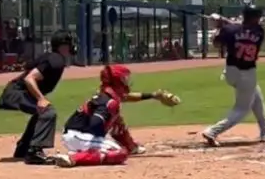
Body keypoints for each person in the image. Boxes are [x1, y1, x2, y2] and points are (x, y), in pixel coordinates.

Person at [52, 65, 181, 168]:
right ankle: (73, 158)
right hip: (80, 136)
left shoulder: (109, 95)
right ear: (117, 81)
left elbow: (127, 97)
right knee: (119, 153)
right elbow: (95, 123)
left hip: (76, 134)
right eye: (124, 79)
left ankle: (131, 147)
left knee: (116, 122)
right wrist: (104, 135)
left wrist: (153, 95)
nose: (127, 82)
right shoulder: (108, 101)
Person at [201, 6, 265, 145]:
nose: (260, 19)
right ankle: (213, 131)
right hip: (247, 73)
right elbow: (242, 28)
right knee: (242, 108)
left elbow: (217, 43)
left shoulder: (229, 30)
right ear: (254, 18)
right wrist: (224, 22)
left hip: (230, 72)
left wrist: (219, 26)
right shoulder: (259, 32)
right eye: (258, 16)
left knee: (256, 95)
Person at [0, 31, 74, 164]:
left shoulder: (53, 58)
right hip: (17, 92)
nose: (71, 46)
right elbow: (29, 78)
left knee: (41, 112)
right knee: (48, 111)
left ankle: (24, 149)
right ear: (63, 46)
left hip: (16, 91)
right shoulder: (56, 59)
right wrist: (40, 99)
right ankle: (35, 152)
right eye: (68, 43)